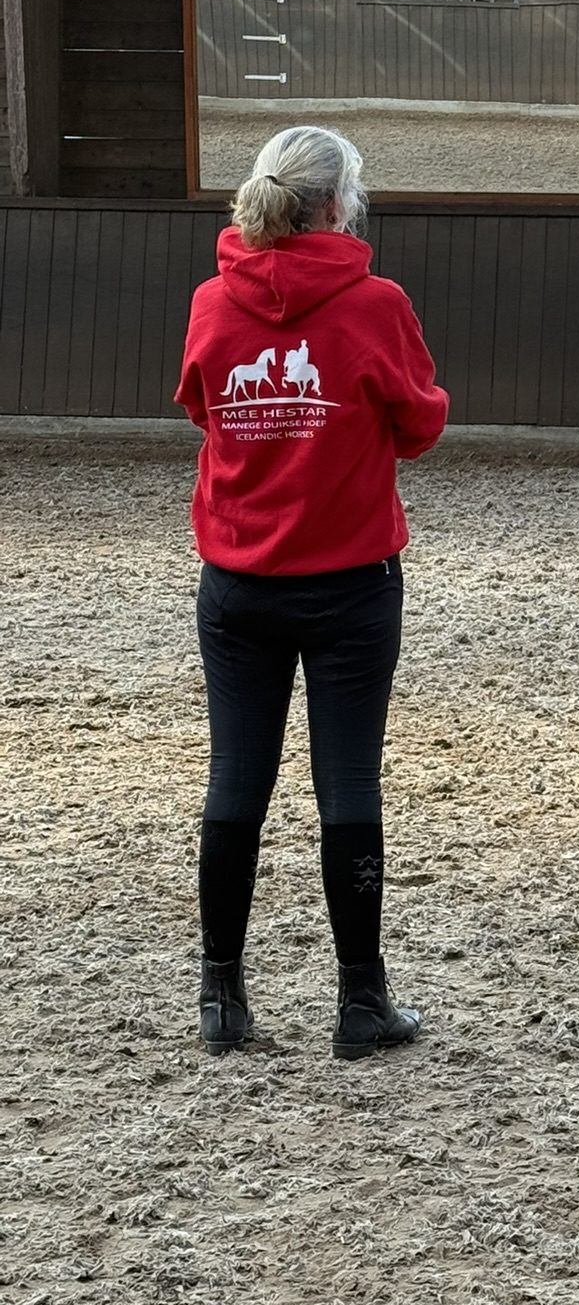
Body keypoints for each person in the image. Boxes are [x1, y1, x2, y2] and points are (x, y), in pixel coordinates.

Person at [175, 125, 449, 1059]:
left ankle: (221, 996)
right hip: (349, 586)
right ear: (335, 204)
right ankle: (360, 1002)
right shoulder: (376, 304)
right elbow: (419, 427)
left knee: (235, 783)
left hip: (239, 580)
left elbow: (202, 409)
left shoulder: (213, 301)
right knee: (348, 784)